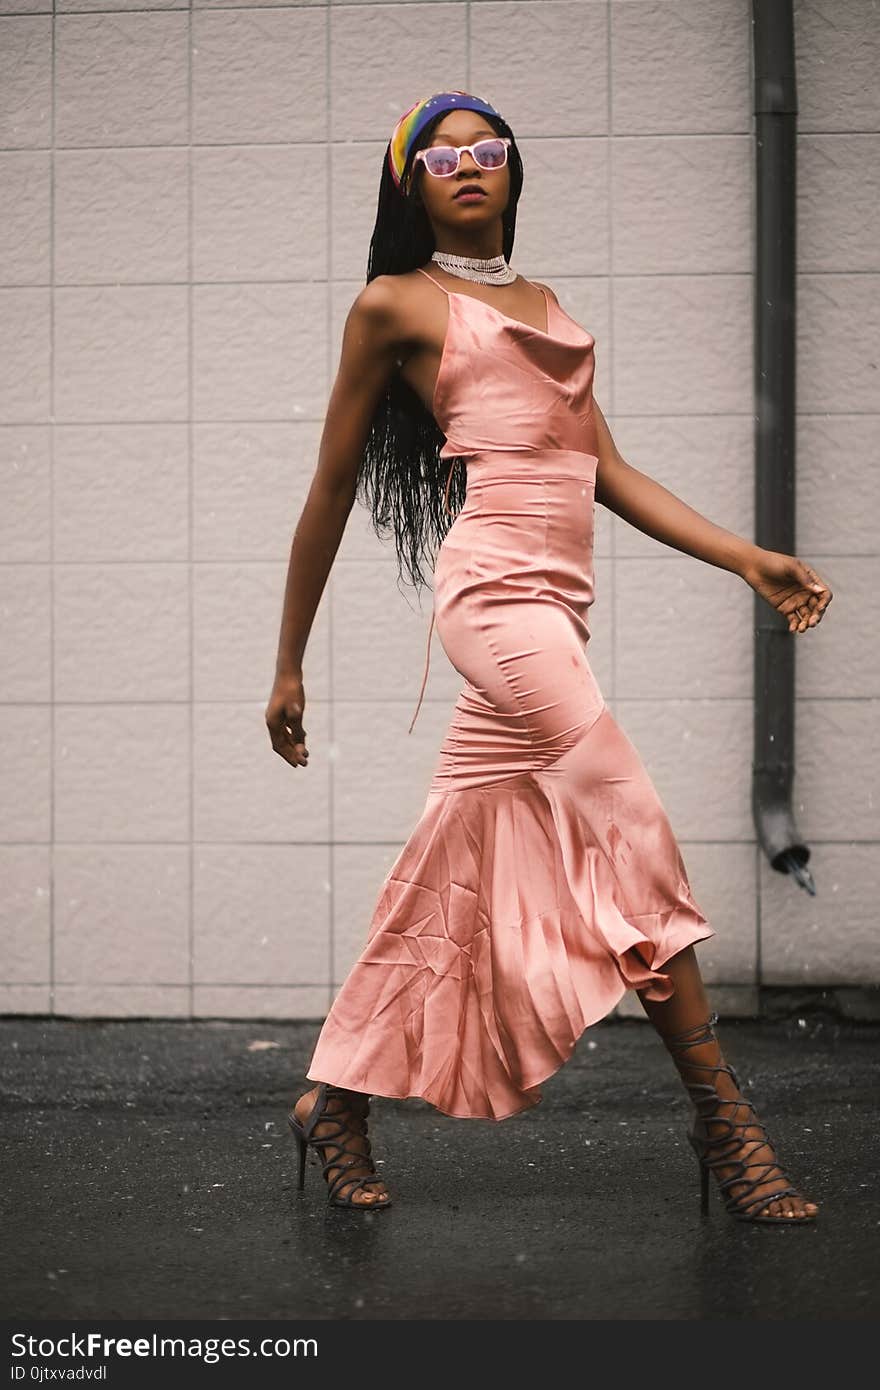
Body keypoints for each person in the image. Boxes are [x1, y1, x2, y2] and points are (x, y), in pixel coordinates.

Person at [265, 91, 831, 1222]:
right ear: (409, 183)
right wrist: (288, 660)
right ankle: (724, 1120)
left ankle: (334, 1098)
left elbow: (604, 469)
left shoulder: (547, 304)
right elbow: (330, 488)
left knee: (450, 858)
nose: (468, 167)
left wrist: (742, 556)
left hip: (556, 611)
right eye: (441, 156)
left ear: (516, 173)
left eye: (489, 151)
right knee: (629, 832)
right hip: (492, 604)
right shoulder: (392, 305)